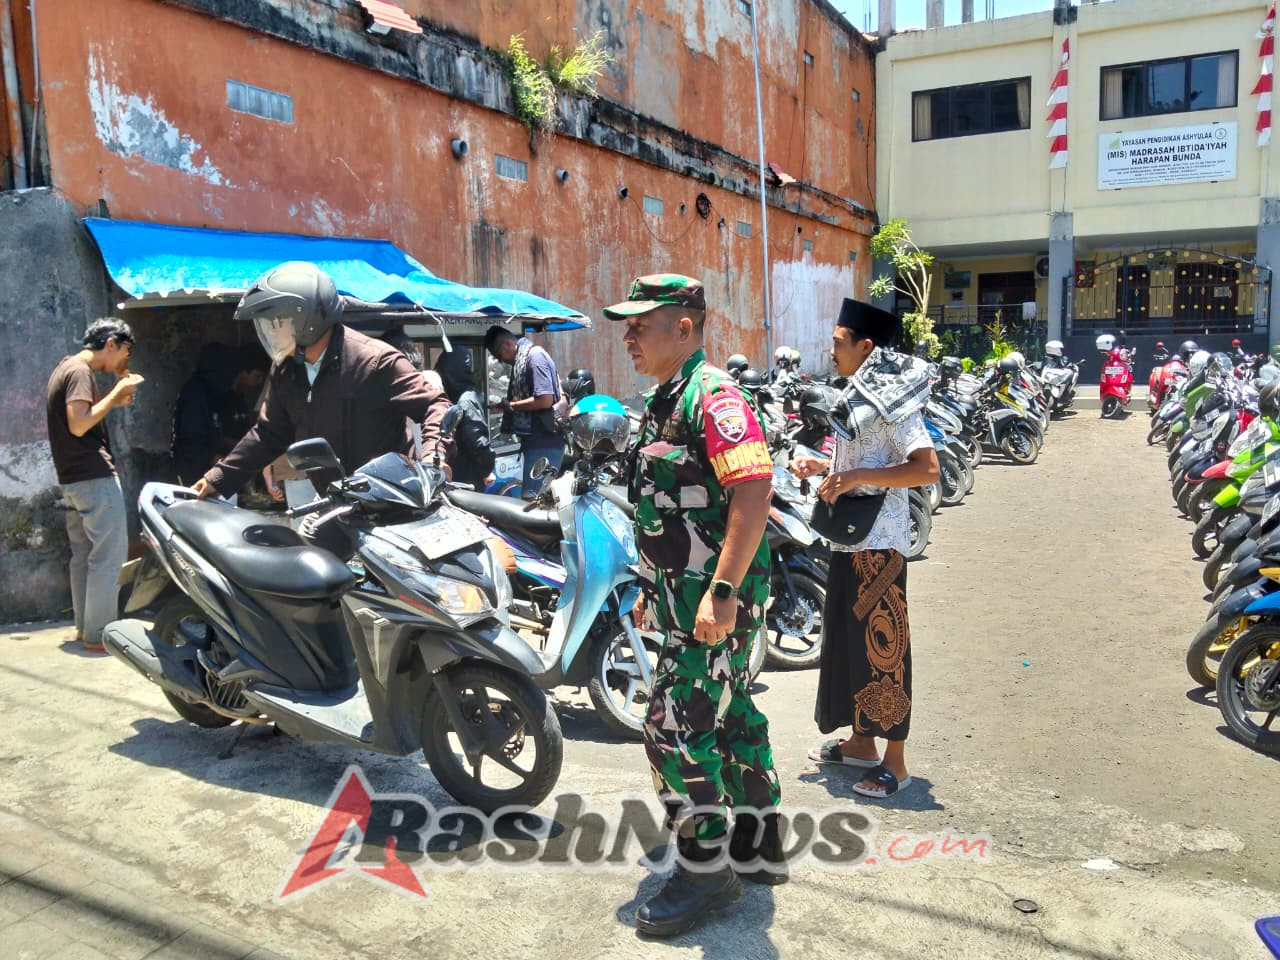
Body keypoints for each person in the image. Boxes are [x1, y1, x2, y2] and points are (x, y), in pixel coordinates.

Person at [607, 273, 782, 938]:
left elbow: (753, 490)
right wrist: (655, 591)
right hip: (688, 600)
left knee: (673, 730)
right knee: (729, 713)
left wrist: (724, 591)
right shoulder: (665, 398)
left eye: (639, 324)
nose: (626, 336)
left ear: (684, 327)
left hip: (716, 600)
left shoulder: (713, 396)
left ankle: (707, 873)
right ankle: (758, 844)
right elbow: (667, 507)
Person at [791, 299, 939, 800]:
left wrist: (856, 476)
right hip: (850, 539)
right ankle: (860, 743)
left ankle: (895, 764)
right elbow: (856, 459)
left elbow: (927, 469)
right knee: (850, 644)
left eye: (838, 342)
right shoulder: (858, 396)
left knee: (884, 650)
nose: (830, 351)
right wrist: (821, 468)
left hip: (882, 545)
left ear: (865, 346)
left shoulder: (895, 404)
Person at [191, 262, 452, 501]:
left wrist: (434, 457)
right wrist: (216, 479)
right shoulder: (286, 371)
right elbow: (267, 435)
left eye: (276, 322)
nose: (271, 331)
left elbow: (434, 404)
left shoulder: (375, 361)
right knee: (302, 551)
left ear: (307, 321)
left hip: (390, 500)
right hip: (334, 501)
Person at [45, 318, 144, 653]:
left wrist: (114, 399)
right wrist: (116, 393)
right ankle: (100, 634)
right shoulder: (79, 372)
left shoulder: (64, 367)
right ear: (112, 343)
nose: (123, 363)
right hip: (93, 476)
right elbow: (78, 424)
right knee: (109, 555)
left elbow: (78, 420)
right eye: (125, 352)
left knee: (84, 554)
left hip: (73, 478)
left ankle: (84, 628)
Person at [171, 342, 268, 486]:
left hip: (209, 471)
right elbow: (193, 443)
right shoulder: (196, 394)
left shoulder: (213, 393)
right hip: (192, 473)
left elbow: (216, 436)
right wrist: (229, 469)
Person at [484, 325, 565, 497]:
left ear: (507, 344)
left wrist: (512, 406)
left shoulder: (534, 357)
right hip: (536, 441)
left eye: (500, 356)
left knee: (534, 499)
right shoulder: (525, 358)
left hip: (544, 442)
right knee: (537, 498)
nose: (501, 361)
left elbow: (544, 400)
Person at [434, 348, 495, 491]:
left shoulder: (465, 399)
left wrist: (486, 470)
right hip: (458, 473)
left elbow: (477, 440)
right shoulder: (454, 395)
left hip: (468, 475)